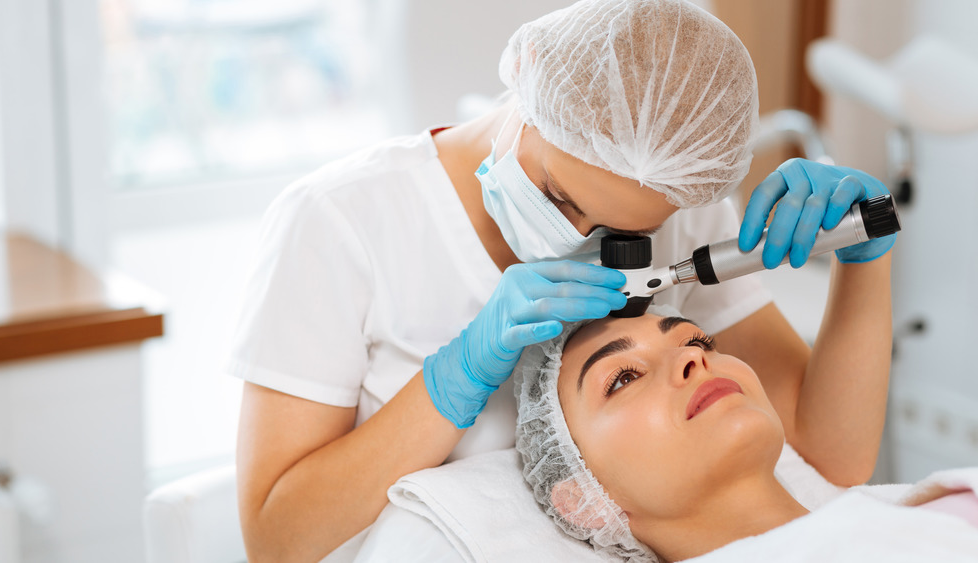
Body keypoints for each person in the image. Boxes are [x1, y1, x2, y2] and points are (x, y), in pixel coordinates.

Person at [229, 0, 896, 560]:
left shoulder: (677, 196)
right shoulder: (342, 221)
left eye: (622, 228)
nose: (580, 237)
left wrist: (864, 261)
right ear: (533, 78)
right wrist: (452, 378)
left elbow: (829, 455)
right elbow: (275, 538)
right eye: (562, 197)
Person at [514, 310, 978, 561]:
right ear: (584, 502)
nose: (692, 359)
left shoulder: (938, 504)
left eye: (698, 341)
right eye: (624, 378)